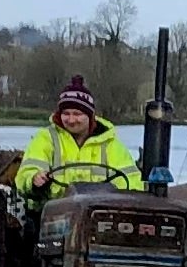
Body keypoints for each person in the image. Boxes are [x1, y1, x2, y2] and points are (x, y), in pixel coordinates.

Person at [12, 76, 140, 200]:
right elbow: (26, 173)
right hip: (50, 212)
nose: (71, 120)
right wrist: (34, 179)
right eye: (66, 114)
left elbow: (131, 181)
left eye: (77, 114)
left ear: (90, 116)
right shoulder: (46, 138)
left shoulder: (110, 144)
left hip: (96, 212)